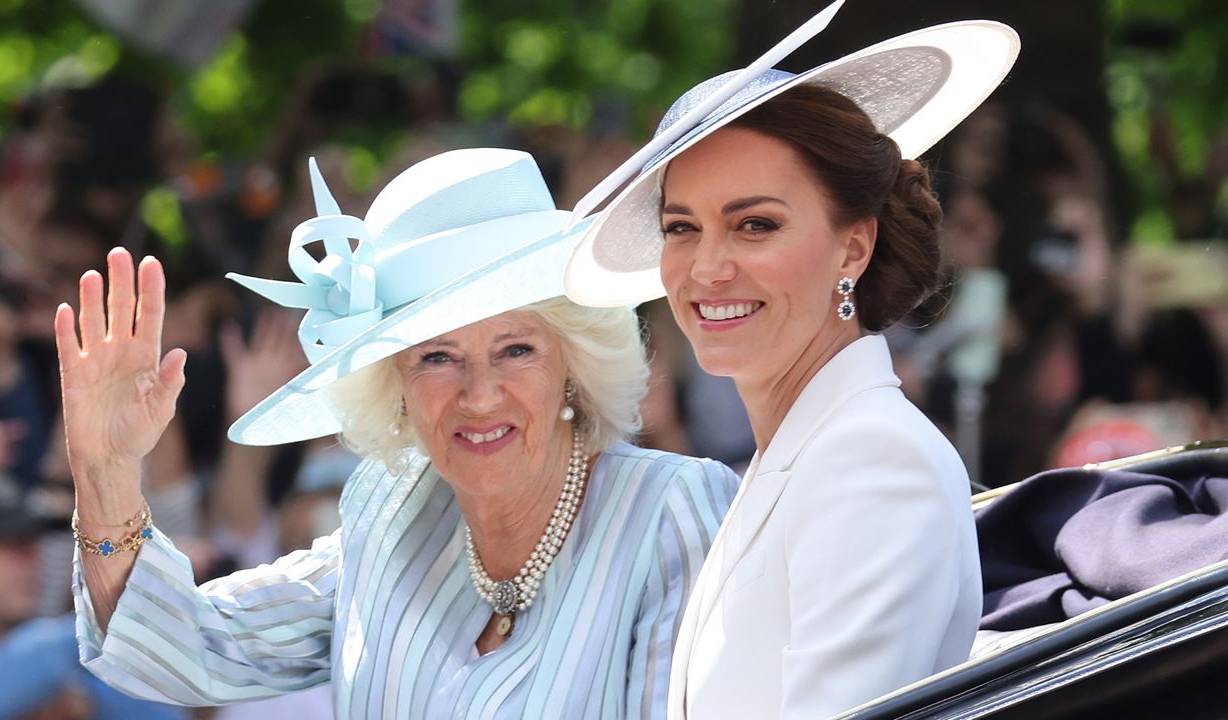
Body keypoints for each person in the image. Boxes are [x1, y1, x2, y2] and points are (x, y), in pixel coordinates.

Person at [58, 148, 737, 718]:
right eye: (436, 357)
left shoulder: (670, 511)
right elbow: (186, 647)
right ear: (397, 387)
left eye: (516, 350)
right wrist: (107, 470)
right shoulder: (390, 510)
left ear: (573, 364)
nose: (478, 394)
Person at [563, 10, 1021, 719]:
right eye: (682, 228)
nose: (707, 268)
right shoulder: (800, 450)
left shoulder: (872, 458)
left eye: (755, 225)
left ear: (852, 248)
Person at [0, 473, 181, 720]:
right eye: (8, 543)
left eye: (34, 541)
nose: (32, 558)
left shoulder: (69, 671)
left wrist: (91, 708)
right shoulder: (59, 652)